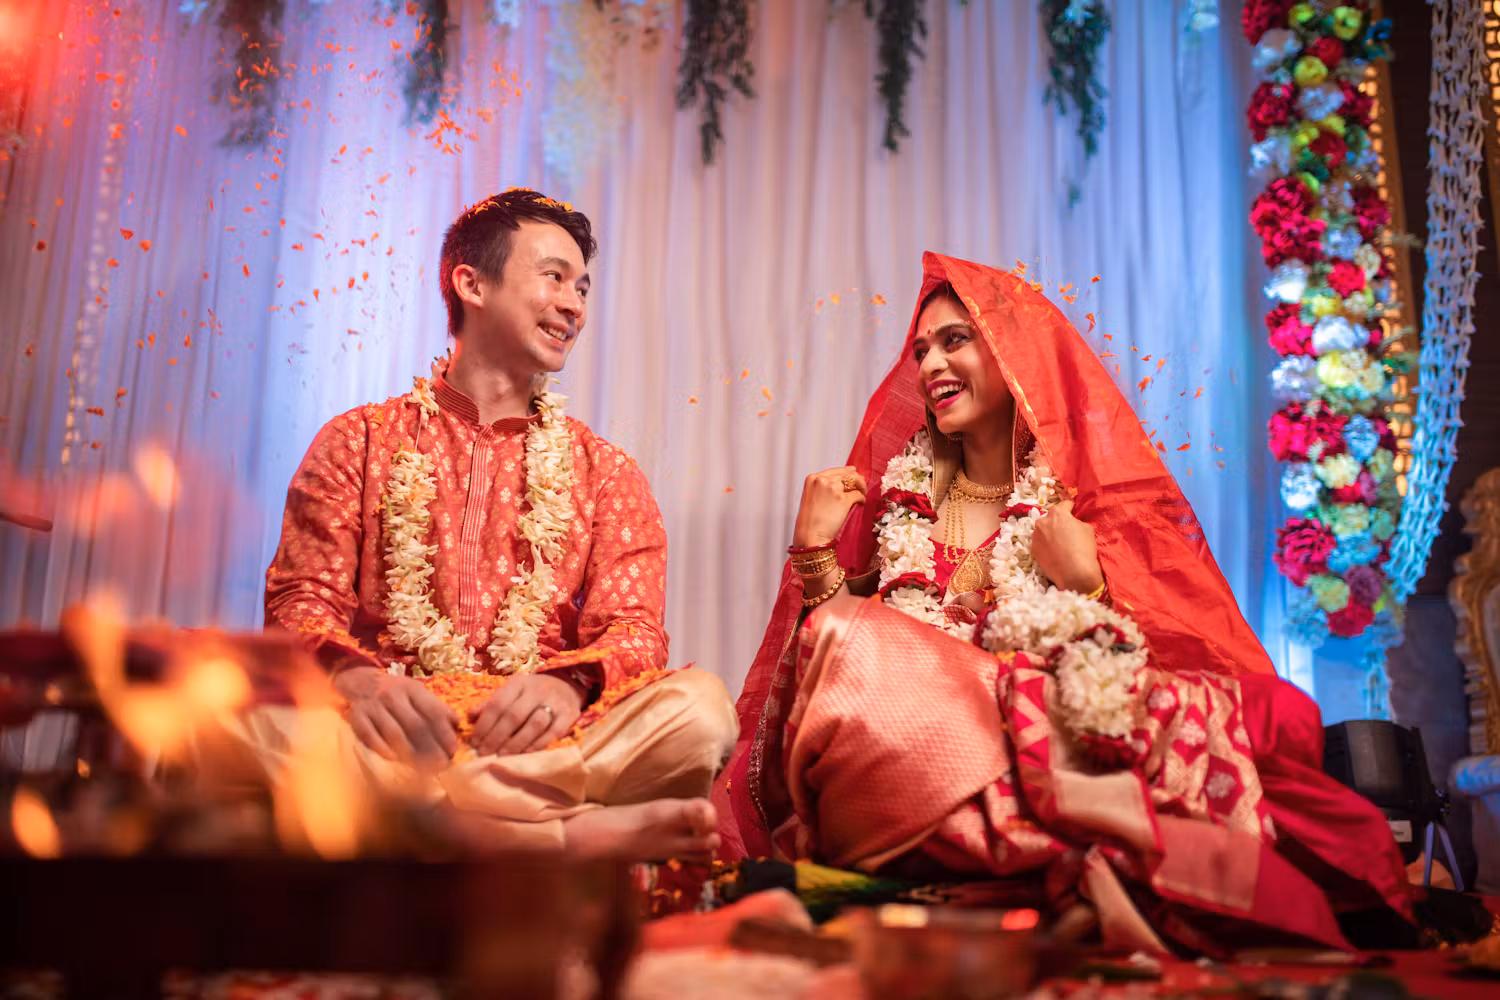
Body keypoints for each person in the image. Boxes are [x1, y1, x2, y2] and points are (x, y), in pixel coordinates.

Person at [715, 251, 1412, 955]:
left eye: (955, 340)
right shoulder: (903, 500)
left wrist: (1092, 584)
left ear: (1015, 353)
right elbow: (834, 681)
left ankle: (1044, 843)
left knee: (1271, 713)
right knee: (847, 641)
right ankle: (1057, 848)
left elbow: (1162, 651)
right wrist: (815, 557)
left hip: (1047, 739)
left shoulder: (1090, 499)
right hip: (924, 751)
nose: (929, 367)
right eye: (921, 350)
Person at [237, 189, 736, 861]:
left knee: (700, 714)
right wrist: (355, 681)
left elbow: (634, 630)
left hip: (541, 740)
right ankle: (557, 836)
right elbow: (300, 603)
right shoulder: (356, 440)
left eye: (583, 287)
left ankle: (428, 828)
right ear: (471, 283)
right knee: (230, 722)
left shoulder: (605, 470)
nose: (575, 305)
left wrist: (567, 684)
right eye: (554, 276)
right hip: (392, 733)